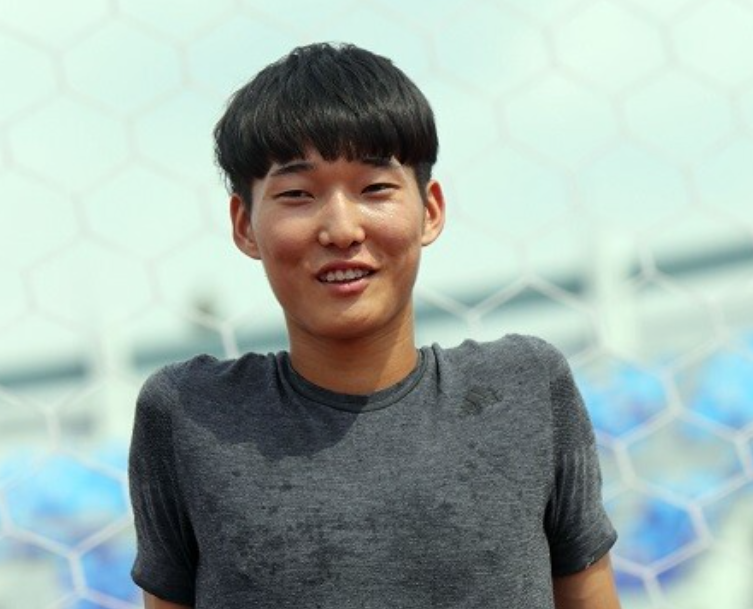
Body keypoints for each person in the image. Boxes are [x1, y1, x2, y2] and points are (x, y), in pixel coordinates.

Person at [128, 42, 621, 608]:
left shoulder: (526, 389)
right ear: (244, 225)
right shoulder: (190, 415)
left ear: (430, 209)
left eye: (375, 188)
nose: (341, 229)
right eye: (296, 194)